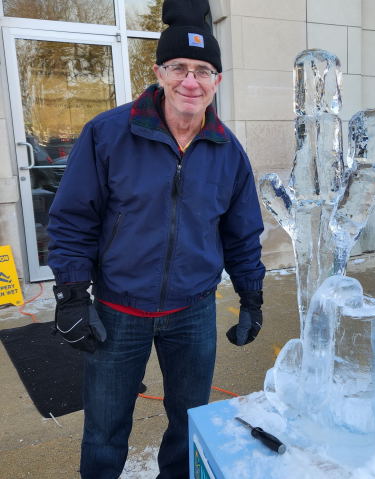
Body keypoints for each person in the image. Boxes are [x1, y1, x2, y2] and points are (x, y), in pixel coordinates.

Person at [47, 0, 265, 477]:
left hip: (193, 314)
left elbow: (243, 233)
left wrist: (251, 295)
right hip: (118, 312)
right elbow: (72, 220)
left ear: (217, 81)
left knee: (189, 425)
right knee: (105, 430)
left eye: (203, 70)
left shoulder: (227, 151)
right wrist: (70, 295)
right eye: (179, 68)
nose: (191, 80)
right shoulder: (108, 134)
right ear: (159, 73)